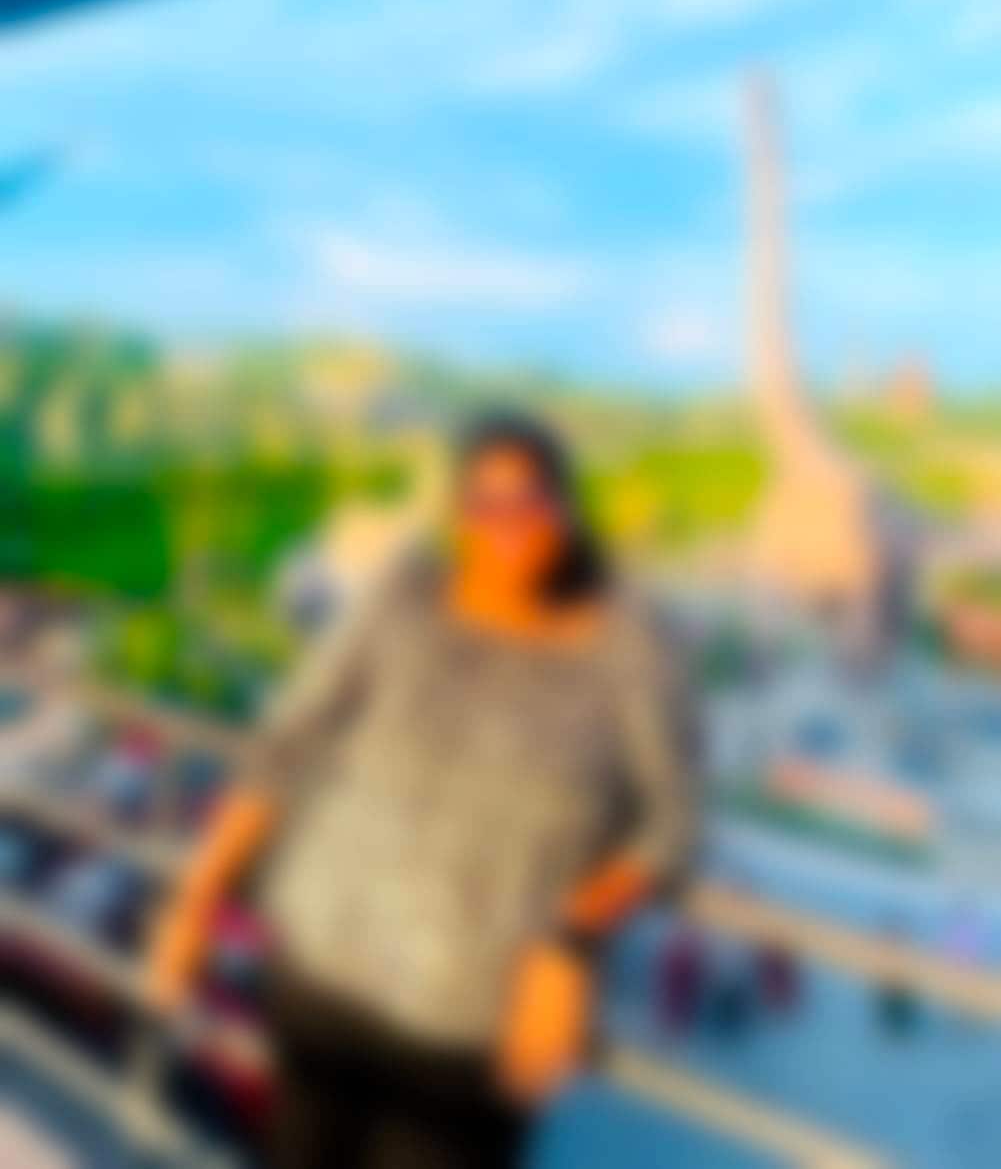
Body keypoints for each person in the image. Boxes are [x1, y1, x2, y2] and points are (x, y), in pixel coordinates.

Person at [148, 410, 700, 1169]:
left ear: (564, 509)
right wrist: (195, 898)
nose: (506, 524)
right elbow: (286, 744)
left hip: (471, 1033)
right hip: (322, 982)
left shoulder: (627, 647)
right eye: (485, 504)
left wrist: (572, 941)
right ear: (460, 516)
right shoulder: (405, 593)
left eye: (528, 500)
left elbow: (671, 826)